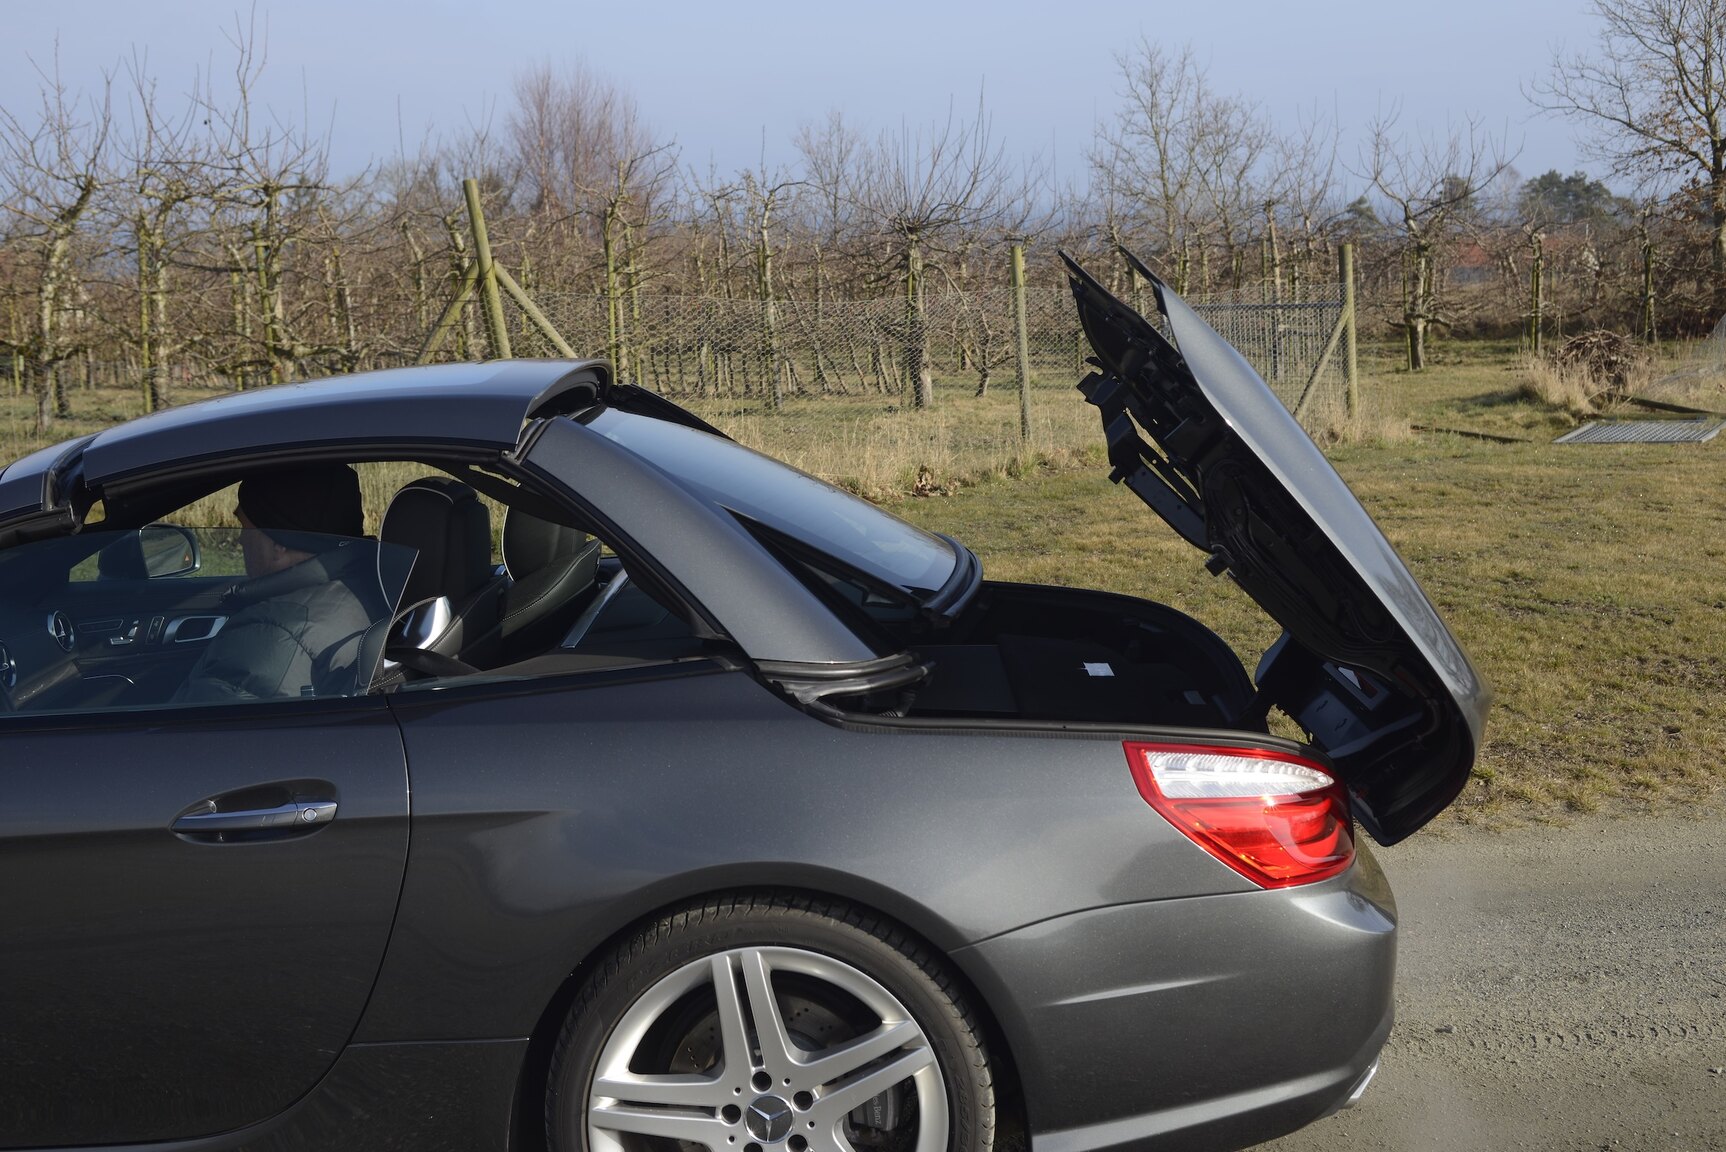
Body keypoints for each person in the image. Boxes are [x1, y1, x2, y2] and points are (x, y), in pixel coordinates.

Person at [175, 465, 383, 703]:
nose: (241, 539)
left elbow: (194, 737)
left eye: (245, 526)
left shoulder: (265, 639)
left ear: (279, 542)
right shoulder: (371, 590)